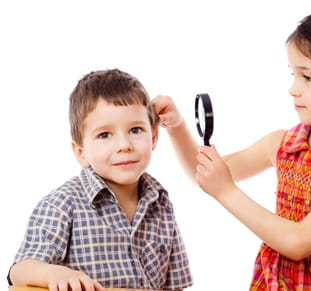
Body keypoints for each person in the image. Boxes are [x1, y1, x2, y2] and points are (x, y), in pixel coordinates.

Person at [153, 9, 311, 290]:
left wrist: (226, 191)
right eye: (294, 74)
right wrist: (177, 127)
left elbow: (298, 242)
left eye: (307, 77)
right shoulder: (284, 145)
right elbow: (205, 174)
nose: (293, 89)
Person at [8, 69, 193, 291]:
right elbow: (18, 271)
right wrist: (55, 273)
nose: (124, 145)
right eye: (104, 135)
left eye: (135, 130)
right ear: (81, 152)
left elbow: (175, 287)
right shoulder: (63, 203)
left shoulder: (161, 203)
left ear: (153, 137)